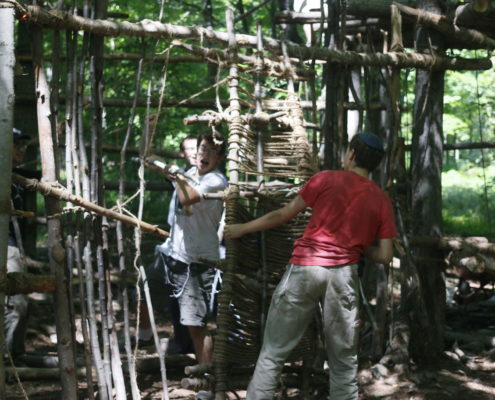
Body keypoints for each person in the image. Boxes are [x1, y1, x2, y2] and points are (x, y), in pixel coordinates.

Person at [224, 132, 397, 400]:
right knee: (343, 363)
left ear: (351, 154)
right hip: (344, 276)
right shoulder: (381, 199)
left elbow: (283, 214)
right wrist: (358, 247)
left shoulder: (325, 179)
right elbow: (385, 255)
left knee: (273, 353)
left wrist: (241, 228)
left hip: (305, 268)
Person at [139, 130, 228, 367]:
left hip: (196, 262)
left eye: (212, 151)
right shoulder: (188, 173)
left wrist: (176, 175)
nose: (205, 155)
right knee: (144, 286)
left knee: (195, 326)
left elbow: (187, 197)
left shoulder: (216, 181)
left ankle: (206, 376)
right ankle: (145, 337)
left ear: (219, 158)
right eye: (203, 149)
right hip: (171, 254)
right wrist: (149, 132)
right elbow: (150, 160)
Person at [4, 128, 38, 363]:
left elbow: (39, 176)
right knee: (16, 303)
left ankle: (14, 356)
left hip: (12, 247)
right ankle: (8, 360)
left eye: (24, 146)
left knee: (18, 302)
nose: (22, 150)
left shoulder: (15, 174)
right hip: (6, 247)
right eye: (17, 144)